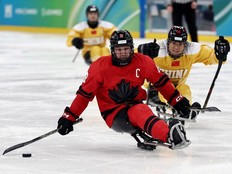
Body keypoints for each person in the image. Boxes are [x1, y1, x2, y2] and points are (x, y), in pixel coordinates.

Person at [57, 29, 192, 149]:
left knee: (141, 112)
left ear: (132, 48)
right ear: (112, 50)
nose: (123, 53)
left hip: (135, 104)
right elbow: (84, 95)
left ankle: (160, 131)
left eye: (126, 49)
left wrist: (177, 101)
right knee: (141, 111)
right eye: (119, 49)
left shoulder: (143, 61)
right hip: (113, 112)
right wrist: (69, 117)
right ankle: (170, 135)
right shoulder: (99, 67)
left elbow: (161, 82)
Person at [138, 26, 230, 120]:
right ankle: (181, 109)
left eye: (180, 44)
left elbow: (210, 56)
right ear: (168, 42)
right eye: (174, 43)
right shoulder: (157, 50)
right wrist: (143, 50)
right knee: (166, 89)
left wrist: (219, 54)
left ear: (185, 44)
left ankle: (186, 108)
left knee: (184, 88)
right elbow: (133, 57)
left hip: (178, 87)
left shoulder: (192, 50)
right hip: (156, 88)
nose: (176, 47)